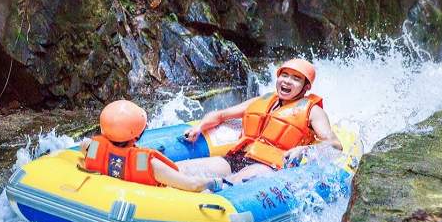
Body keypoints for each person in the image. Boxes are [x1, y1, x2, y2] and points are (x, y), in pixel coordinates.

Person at [177, 58, 342, 184]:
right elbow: (221, 115)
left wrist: (303, 150)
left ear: (306, 87)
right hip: (239, 158)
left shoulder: (313, 111)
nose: (287, 81)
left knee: (231, 185)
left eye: (296, 78)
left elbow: (335, 144)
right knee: (179, 170)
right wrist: (199, 127)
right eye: (284, 75)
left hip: (271, 166)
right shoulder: (262, 101)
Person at [79, 100, 223, 192]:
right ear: (136, 136)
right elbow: (193, 185)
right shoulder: (147, 163)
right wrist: (214, 183)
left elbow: (86, 146)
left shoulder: (91, 147)